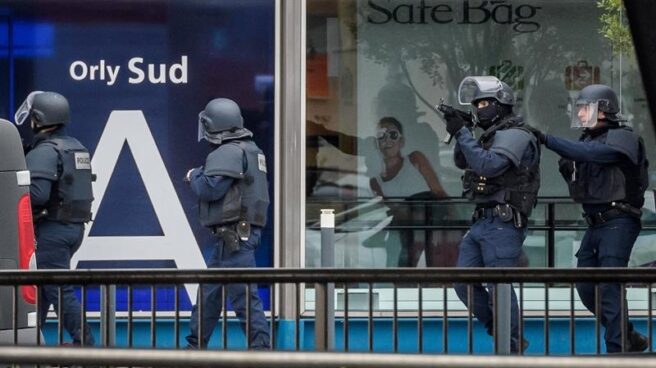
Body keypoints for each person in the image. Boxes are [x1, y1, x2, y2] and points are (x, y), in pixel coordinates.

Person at [530, 84, 649, 353]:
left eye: (585, 108)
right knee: (585, 286)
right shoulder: (585, 141)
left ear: (603, 109)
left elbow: (593, 155)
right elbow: (579, 170)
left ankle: (617, 351)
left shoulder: (623, 137)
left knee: (610, 286)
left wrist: (547, 139)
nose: (580, 114)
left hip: (619, 220)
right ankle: (627, 333)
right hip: (595, 223)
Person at [442, 76, 540, 353]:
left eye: (484, 103)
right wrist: (463, 129)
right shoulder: (490, 135)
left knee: (499, 287)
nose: (479, 108)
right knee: (463, 282)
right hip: (482, 221)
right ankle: (502, 331)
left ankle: (510, 345)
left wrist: (462, 131)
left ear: (501, 103)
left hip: (504, 222)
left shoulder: (517, 135)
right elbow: (464, 161)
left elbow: (488, 165)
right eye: (475, 104)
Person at [184, 98, 270, 350]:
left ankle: (262, 352)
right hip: (232, 237)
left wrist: (193, 175)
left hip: (235, 238)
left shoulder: (229, 152)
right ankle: (194, 348)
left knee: (244, 297)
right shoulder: (251, 149)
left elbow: (209, 189)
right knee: (209, 294)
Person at [17, 91, 95, 345]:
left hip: (52, 230)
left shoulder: (44, 152)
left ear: (37, 119)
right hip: (72, 229)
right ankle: (28, 342)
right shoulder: (75, 146)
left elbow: (37, 196)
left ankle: (85, 345)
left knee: (58, 289)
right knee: (44, 288)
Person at [369, 116, 455, 267]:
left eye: (393, 135)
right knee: (400, 267)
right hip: (407, 228)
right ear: (377, 143)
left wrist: (454, 222)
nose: (387, 140)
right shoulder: (376, 182)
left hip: (432, 222)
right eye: (381, 135)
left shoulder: (415, 159)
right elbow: (395, 210)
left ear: (401, 141)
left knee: (437, 270)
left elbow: (438, 192)